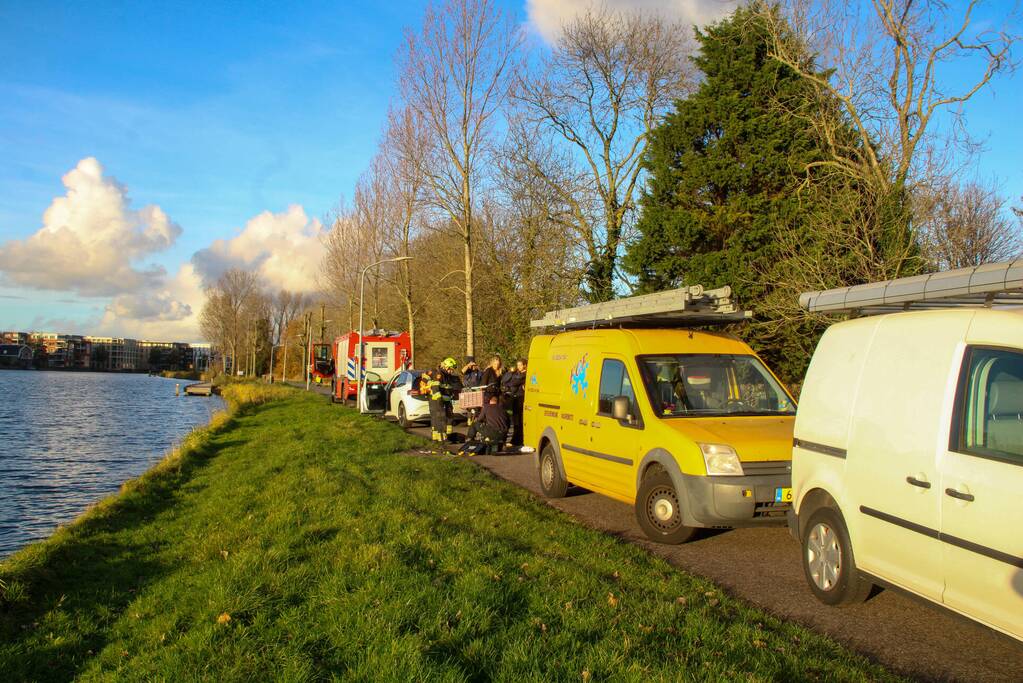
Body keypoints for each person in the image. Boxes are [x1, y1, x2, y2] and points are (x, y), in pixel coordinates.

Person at [422, 357, 459, 443]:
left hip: (443, 399)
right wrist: (439, 400)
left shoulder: (446, 375)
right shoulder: (439, 374)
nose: (451, 371)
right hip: (436, 399)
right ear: (446, 367)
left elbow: (447, 387)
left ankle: (437, 438)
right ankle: (441, 438)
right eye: (451, 369)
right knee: (440, 417)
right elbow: (436, 388)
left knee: (441, 417)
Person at [504, 358, 527, 450]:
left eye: (520, 365)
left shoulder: (525, 375)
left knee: (519, 421)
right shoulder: (517, 374)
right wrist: (511, 373)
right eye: (517, 365)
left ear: (525, 365)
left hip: (520, 399)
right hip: (515, 398)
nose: (518, 367)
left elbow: (513, 383)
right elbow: (506, 381)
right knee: (516, 421)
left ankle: (517, 440)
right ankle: (516, 439)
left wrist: (512, 382)